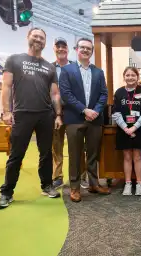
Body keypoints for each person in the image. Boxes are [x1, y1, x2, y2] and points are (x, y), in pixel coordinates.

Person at [0, 27, 62, 210]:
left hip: (45, 115)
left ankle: (47, 185)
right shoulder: (14, 60)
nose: (38, 39)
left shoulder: (49, 67)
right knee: (16, 155)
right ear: (28, 37)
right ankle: (6, 192)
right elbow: (6, 86)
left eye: (42, 37)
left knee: (46, 153)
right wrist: (6, 111)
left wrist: (58, 114)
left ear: (45, 42)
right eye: (36, 36)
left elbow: (55, 93)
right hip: (22, 113)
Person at [59, 37, 110, 202]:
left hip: (95, 120)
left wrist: (95, 111)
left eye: (89, 48)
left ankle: (94, 184)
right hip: (74, 119)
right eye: (83, 47)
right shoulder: (67, 70)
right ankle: (74, 188)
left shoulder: (98, 72)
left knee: (93, 154)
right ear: (77, 49)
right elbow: (66, 94)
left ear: (92, 52)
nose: (86, 50)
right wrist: (84, 109)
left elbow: (104, 94)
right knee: (75, 155)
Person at [50, 37, 88, 189]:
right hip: (54, 113)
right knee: (56, 146)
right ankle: (57, 177)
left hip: (74, 112)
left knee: (78, 145)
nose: (61, 49)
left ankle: (82, 175)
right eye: (58, 46)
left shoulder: (75, 67)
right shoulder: (50, 68)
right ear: (54, 48)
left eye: (63, 46)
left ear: (68, 49)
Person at [112, 66, 141, 196]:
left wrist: (134, 128)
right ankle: (128, 184)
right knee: (127, 156)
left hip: (140, 129)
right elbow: (116, 114)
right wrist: (126, 128)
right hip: (123, 129)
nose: (130, 77)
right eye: (127, 75)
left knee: (138, 157)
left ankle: (139, 184)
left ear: (137, 77)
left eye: (133, 75)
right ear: (124, 77)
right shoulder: (118, 93)